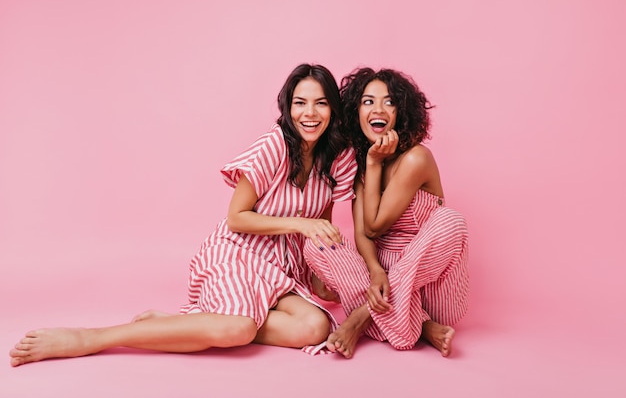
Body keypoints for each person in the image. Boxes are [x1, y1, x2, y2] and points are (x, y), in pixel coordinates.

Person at [9, 63, 357, 367]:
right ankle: (92, 338)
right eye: (300, 103)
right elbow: (237, 217)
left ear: (332, 110)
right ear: (288, 106)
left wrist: (326, 279)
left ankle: (186, 323)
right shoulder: (274, 146)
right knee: (237, 328)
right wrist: (298, 224)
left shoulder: (337, 158)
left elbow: (318, 232)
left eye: (320, 103)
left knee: (314, 327)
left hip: (282, 267)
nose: (309, 113)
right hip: (240, 253)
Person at [304, 67, 469, 359]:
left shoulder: (416, 158)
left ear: (401, 112)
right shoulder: (361, 165)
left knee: (451, 220)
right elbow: (362, 233)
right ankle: (422, 327)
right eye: (367, 101)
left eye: (389, 101)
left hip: (430, 285)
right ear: (356, 112)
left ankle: (361, 317)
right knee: (316, 240)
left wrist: (375, 163)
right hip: (377, 283)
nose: (377, 109)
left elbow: (376, 226)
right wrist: (377, 269)